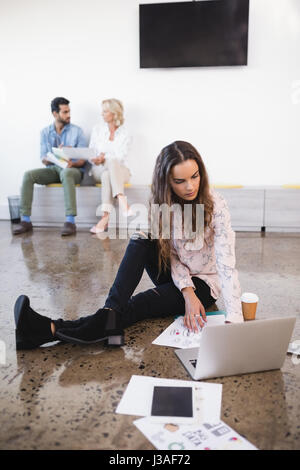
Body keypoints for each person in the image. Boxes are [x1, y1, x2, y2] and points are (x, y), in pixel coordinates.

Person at [13, 140, 244, 351]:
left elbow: (226, 264)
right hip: (178, 277)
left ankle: (50, 329)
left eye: (195, 176)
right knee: (141, 239)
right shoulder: (161, 205)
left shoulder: (216, 205)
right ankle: (107, 318)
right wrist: (186, 290)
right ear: (167, 181)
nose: (190, 186)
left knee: (138, 304)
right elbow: (171, 255)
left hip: (204, 283)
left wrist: (234, 318)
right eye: (180, 181)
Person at [12, 97, 87, 237]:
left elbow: (83, 160)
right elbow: (43, 159)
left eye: (69, 111)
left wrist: (71, 161)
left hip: (73, 170)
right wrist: (54, 156)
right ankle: (25, 220)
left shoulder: (77, 131)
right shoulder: (45, 132)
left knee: (66, 173)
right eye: (65, 112)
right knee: (28, 175)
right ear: (55, 113)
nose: (68, 115)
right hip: (53, 168)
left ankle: (70, 221)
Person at [88, 98, 133, 233]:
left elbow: (121, 157)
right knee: (107, 170)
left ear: (114, 113)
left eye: (105, 111)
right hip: (98, 169)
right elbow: (91, 152)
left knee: (111, 169)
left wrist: (105, 156)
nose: (102, 114)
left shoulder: (126, 133)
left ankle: (105, 217)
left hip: (120, 171)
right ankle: (121, 199)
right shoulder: (97, 130)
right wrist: (98, 158)